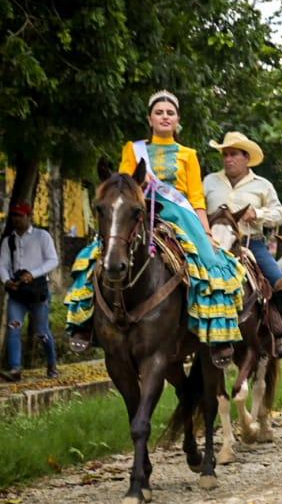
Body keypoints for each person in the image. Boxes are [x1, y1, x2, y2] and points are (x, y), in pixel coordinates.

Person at [66, 90, 244, 365]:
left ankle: (218, 338)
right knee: (94, 255)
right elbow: (122, 185)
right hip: (135, 211)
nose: (164, 117)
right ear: (150, 118)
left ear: (177, 120)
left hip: (177, 214)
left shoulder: (188, 154)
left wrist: (206, 231)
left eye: (170, 113)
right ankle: (85, 324)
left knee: (209, 261)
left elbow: (195, 196)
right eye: (159, 112)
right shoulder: (133, 149)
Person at [203, 131, 282, 358]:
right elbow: (199, 208)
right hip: (214, 244)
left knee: (276, 279)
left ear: (246, 158)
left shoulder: (262, 185)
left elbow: (279, 214)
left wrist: (259, 214)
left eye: (233, 154)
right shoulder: (210, 181)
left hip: (250, 242)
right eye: (225, 154)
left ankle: (281, 332)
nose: (228, 159)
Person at [1, 202, 59, 381]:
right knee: (14, 326)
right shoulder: (8, 240)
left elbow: (53, 260)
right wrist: (6, 280)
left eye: (20, 216)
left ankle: (51, 364)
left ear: (28, 217)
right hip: (17, 293)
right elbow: (2, 264)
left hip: (37, 292)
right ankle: (15, 368)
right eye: (14, 216)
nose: (16, 219)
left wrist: (32, 274)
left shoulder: (42, 236)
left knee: (42, 331)